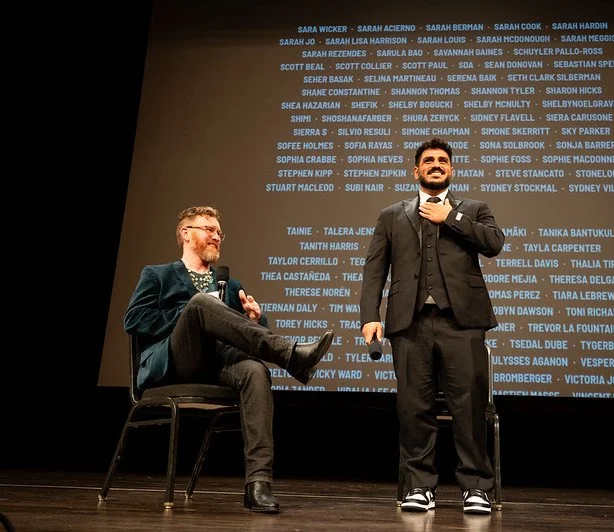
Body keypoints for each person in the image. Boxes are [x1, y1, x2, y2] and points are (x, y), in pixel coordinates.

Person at [124, 205, 335, 514]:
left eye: (219, 232)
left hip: (219, 365)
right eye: (209, 229)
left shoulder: (231, 286)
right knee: (198, 305)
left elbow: (245, 338)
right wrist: (191, 312)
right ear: (186, 233)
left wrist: (257, 319)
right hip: (176, 363)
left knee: (254, 370)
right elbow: (135, 320)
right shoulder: (158, 274)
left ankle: (258, 485)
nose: (216, 236)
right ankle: (292, 356)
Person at [359, 138, 505, 515]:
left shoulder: (474, 209)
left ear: (452, 170)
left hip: (463, 323)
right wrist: (370, 316)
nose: (436, 164)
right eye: (428, 160)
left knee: (468, 405)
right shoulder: (392, 214)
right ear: (416, 170)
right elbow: (375, 268)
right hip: (410, 323)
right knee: (413, 406)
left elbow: (494, 244)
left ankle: (475, 486)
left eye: (443, 160)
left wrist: (450, 218)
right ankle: (420, 485)